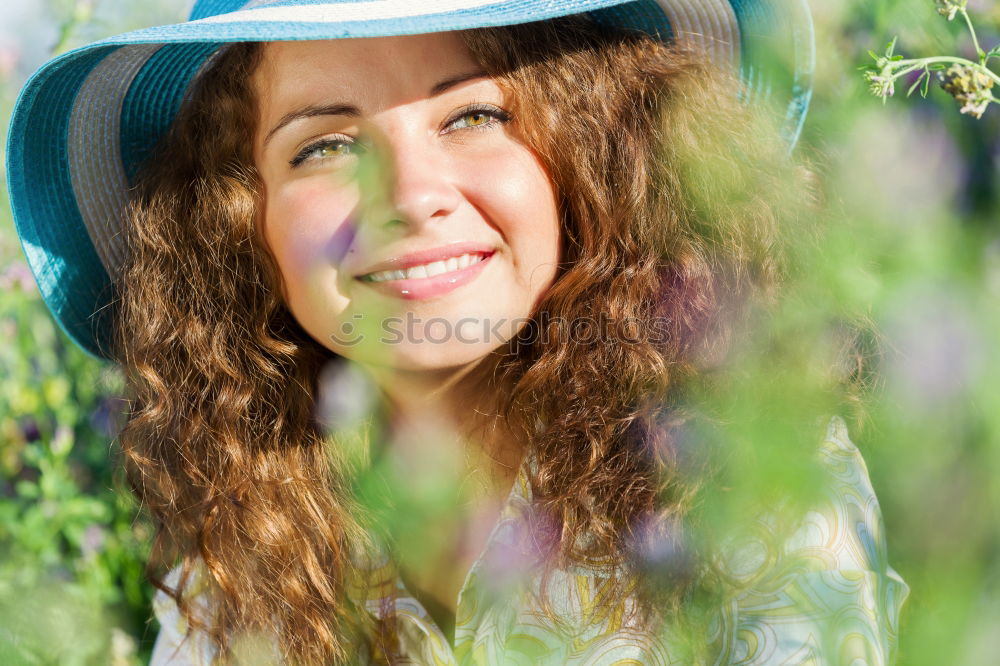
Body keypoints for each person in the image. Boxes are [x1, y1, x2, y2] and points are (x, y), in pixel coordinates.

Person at [5, 0, 909, 664]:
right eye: (323, 146)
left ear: (586, 156)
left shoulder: (744, 481)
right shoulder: (244, 539)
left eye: (473, 116)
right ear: (241, 225)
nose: (407, 196)